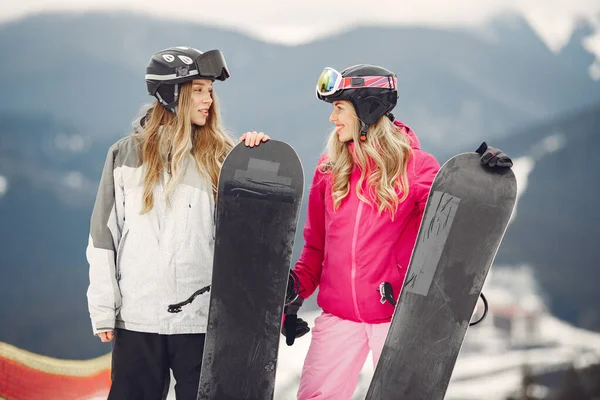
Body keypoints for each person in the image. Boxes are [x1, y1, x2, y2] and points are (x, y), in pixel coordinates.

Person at [282, 64, 513, 399]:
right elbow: (315, 248)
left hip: (395, 321)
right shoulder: (329, 169)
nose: (332, 119)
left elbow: (450, 232)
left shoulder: (418, 168)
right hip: (338, 318)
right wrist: (294, 291)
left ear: (367, 109)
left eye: (339, 108)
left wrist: (482, 179)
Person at [85, 46, 269, 400]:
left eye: (210, 91)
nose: (208, 100)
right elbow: (103, 237)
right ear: (172, 93)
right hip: (138, 319)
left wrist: (254, 158)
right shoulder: (125, 155)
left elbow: (240, 240)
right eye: (199, 89)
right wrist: (104, 309)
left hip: (200, 322)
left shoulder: (222, 156)